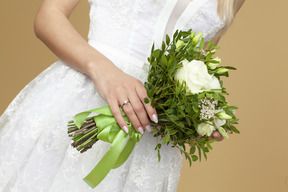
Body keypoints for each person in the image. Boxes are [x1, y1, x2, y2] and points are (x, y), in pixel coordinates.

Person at [0, 0, 245, 191]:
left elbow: (192, 60)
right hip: (82, 102)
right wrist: (105, 72)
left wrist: (192, 117)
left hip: (149, 138)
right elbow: (48, 16)